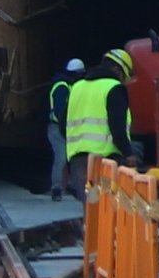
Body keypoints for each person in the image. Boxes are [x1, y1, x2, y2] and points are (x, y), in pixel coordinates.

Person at [52, 53, 124, 199]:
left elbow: (64, 119)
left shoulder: (76, 88)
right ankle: (58, 188)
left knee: (90, 196)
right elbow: (61, 114)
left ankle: (88, 215)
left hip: (79, 149)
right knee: (61, 160)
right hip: (100, 150)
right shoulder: (64, 87)